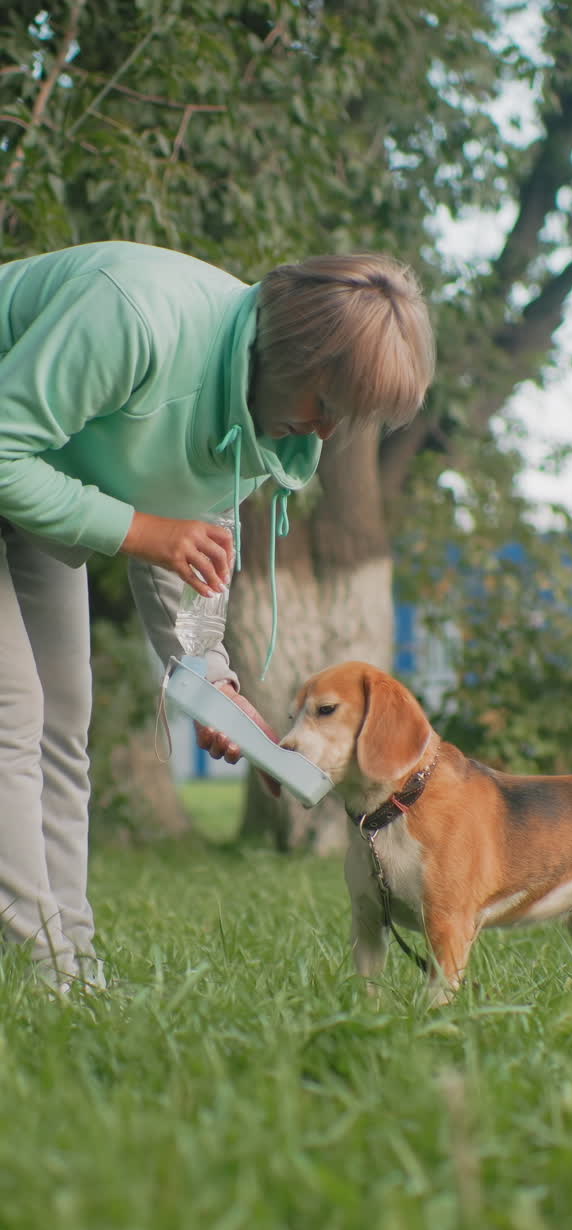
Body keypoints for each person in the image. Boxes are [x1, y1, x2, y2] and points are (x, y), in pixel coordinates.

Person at [0, 240, 435, 994]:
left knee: (63, 725)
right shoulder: (132, 314)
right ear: (292, 352)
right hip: (15, 455)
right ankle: (37, 974)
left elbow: (185, 542)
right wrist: (142, 531)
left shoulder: (255, 419)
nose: (325, 432)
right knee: (13, 716)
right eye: (326, 404)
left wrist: (209, 678)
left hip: (42, 478)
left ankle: (74, 968)